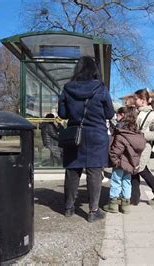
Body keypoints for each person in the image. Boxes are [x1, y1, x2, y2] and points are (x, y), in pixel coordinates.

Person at [58, 56, 115, 222]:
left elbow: (62, 114)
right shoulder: (101, 88)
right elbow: (110, 113)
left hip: (75, 135)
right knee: (95, 172)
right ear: (94, 70)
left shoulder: (67, 88)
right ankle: (93, 211)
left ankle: (68, 208)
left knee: (72, 171)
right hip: (96, 135)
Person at [104, 107, 146, 214]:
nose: (116, 116)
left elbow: (115, 151)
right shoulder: (136, 132)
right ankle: (125, 205)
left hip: (120, 163)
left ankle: (113, 204)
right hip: (130, 164)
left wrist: (115, 161)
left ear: (123, 115)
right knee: (127, 182)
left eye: (117, 114)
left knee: (116, 181)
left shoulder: (121, 132)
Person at [131, 88, 154, 206]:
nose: (133, 101)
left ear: (143, 100)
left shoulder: (153, 115)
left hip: (143, 146)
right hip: (133, 146)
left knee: (141, 169)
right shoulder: (134, 112)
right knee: (134, 170)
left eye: (135, 99)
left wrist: (142, 134)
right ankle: (134, 198)